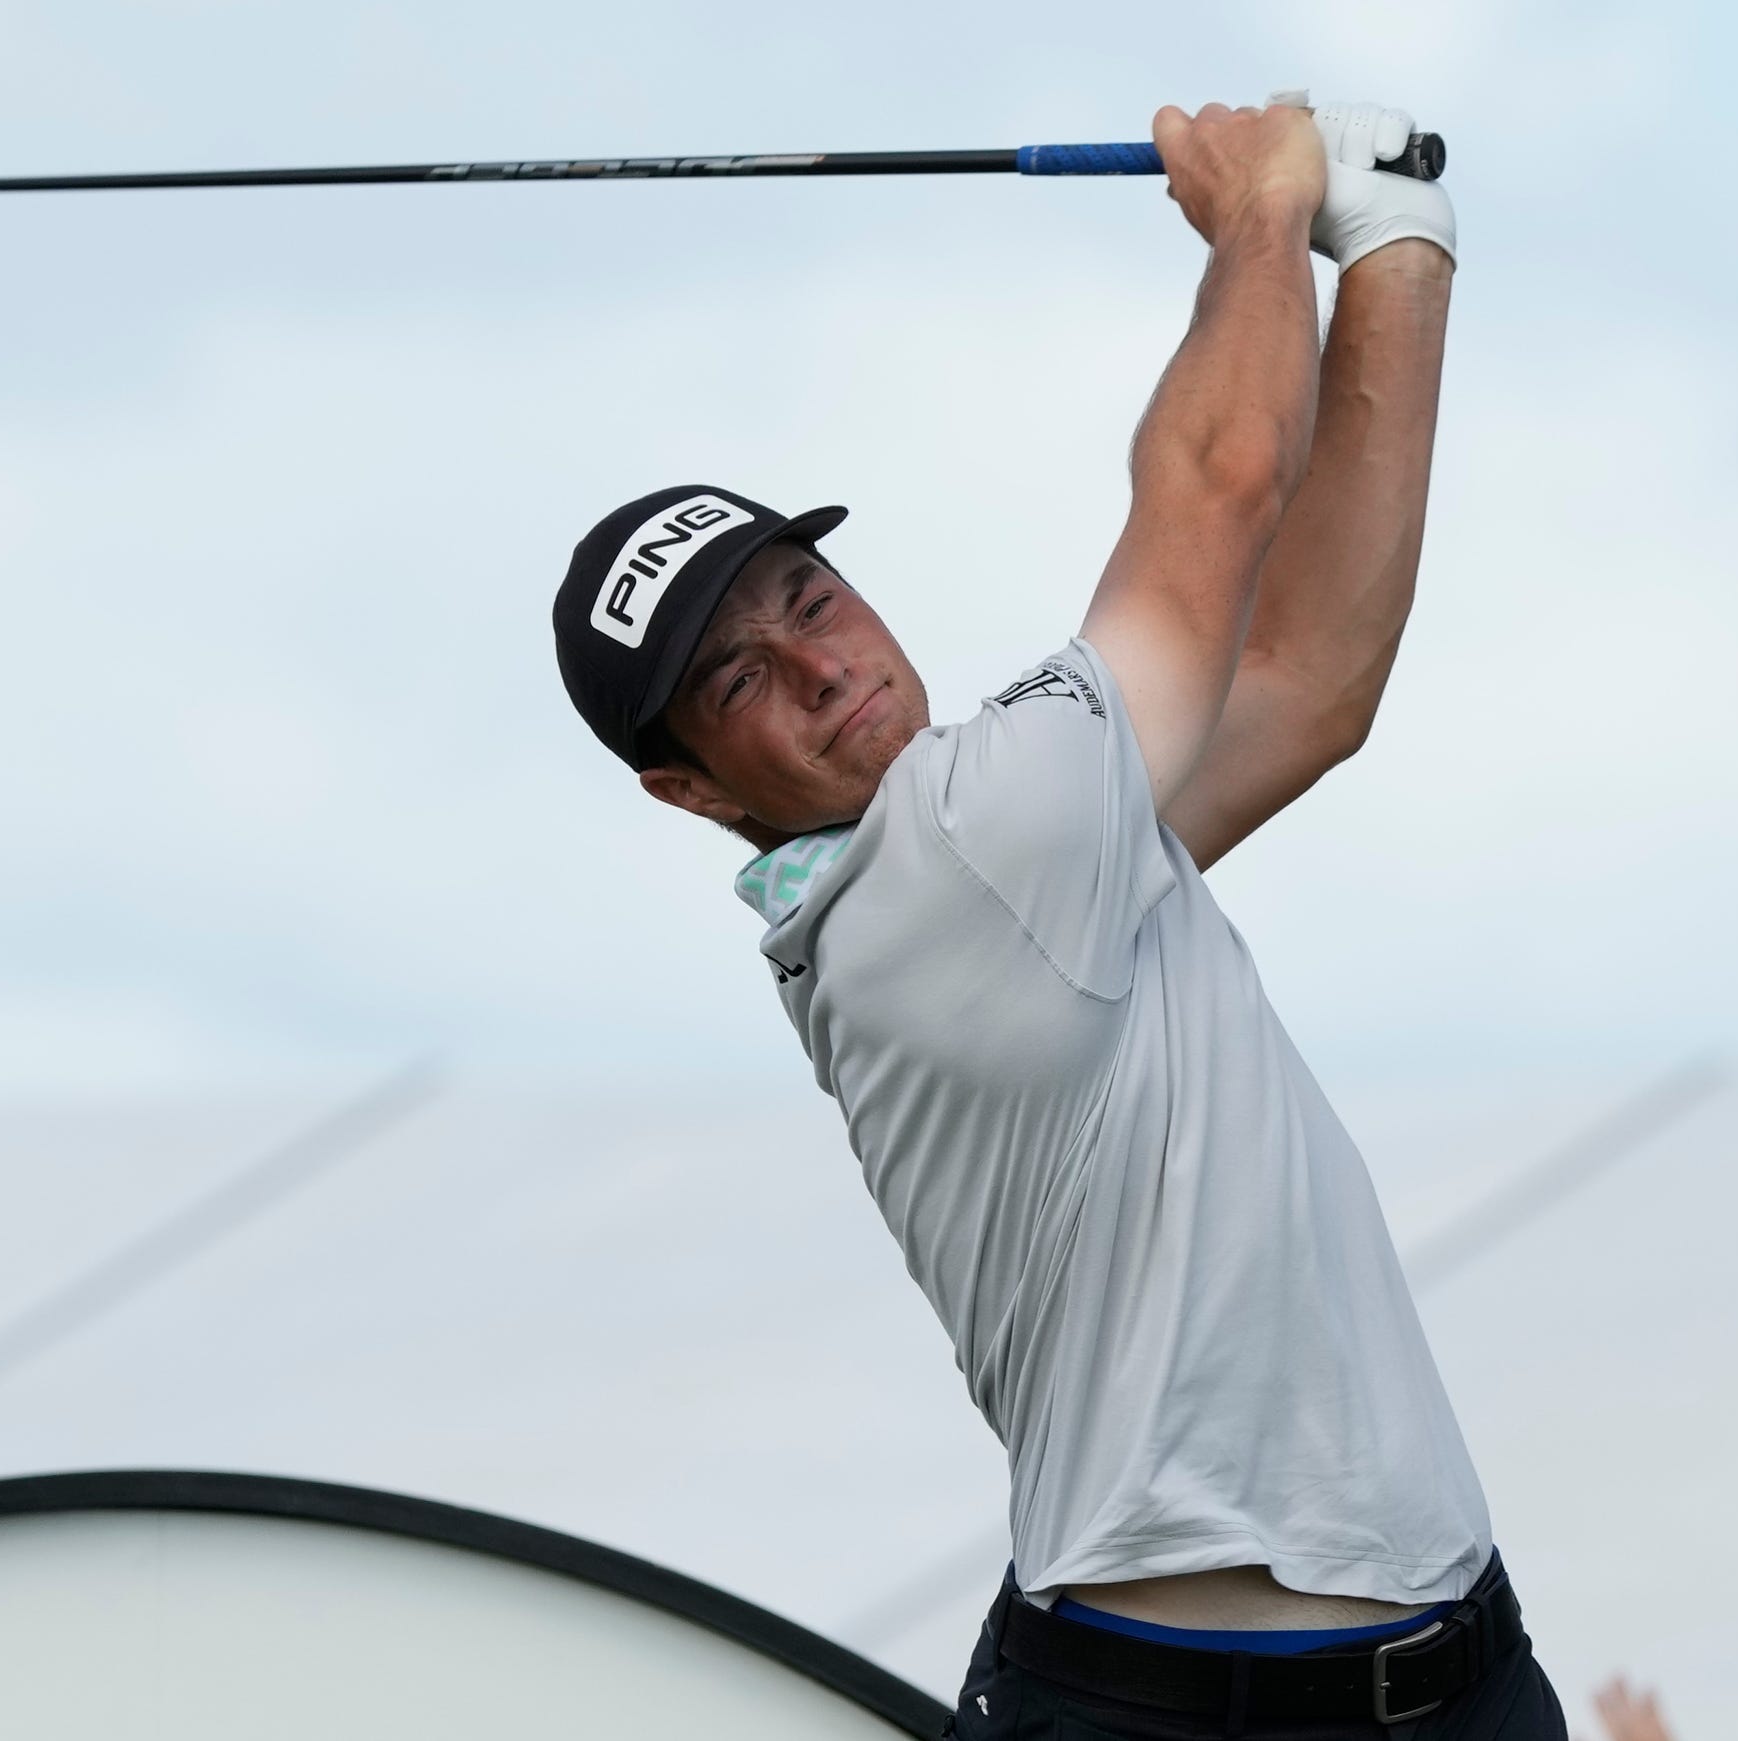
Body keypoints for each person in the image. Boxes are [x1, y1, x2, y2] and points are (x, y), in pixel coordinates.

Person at [550, 92, 1560, 1738]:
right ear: (692, 789)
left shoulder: (1033, 836)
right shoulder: (963, 850)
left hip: (1449, 1674)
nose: (821, 664)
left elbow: (1306, 685)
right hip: (1161, 1710)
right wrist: (1259, 208)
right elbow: (1223, 482)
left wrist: (1394, 243)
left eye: (807, 597)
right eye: (740, 677)